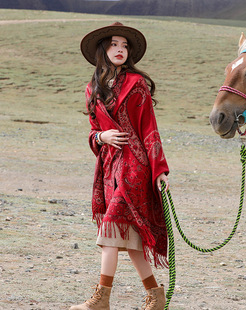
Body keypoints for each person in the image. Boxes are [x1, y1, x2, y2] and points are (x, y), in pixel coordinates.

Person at [70, 22, 170, 310]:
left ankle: (101, 298)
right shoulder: (92, 89)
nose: (120, 50)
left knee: (111, 232)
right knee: (128, 238)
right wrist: (102, 136)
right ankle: (155, 295)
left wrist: (160, 169)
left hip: (135, 167)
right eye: (114, 44)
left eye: (125, 45)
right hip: (110, 169)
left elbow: (150, 128)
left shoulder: (136, 84)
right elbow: (93, 131)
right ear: (103, 49)